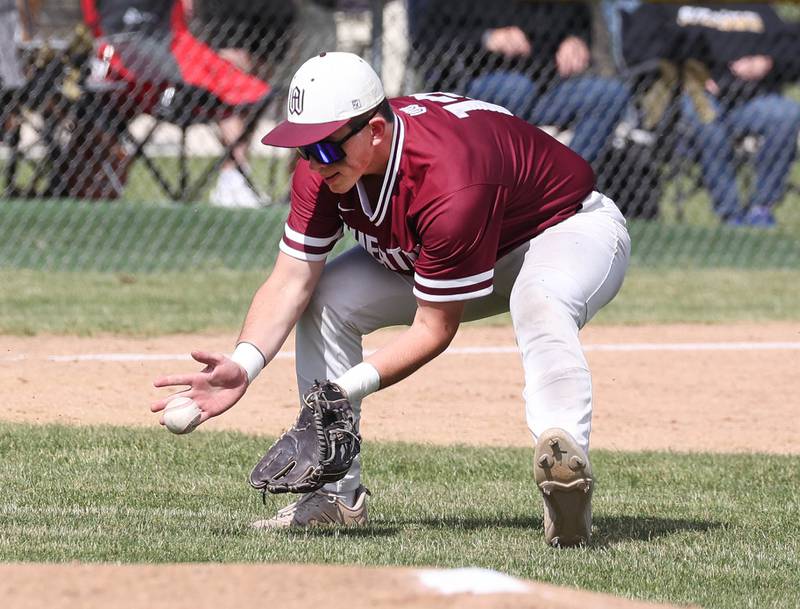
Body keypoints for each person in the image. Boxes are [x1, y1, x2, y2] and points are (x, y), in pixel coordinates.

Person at [151, 52, 631, 548]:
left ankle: (563, 470)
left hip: (563, 230)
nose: (312, 161)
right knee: (326, 295)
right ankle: (334, 498)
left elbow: (434, 329)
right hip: (440, 248)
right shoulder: (326, 169)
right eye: (301, 148)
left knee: (540, 300)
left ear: (375, 132)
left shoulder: (449, 180)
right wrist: (245, 365)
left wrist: (339, 391)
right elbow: (291, 280)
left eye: (322, 147)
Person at [621, 2, 800, 227]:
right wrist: (696, 68)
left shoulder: (756, 8)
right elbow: (638, 51)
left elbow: (791, 47)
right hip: (692, 96)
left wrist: (768, 62)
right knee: (704, 115)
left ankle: (761, 208)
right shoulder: (666, 7)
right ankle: (731, 213)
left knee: (787, 114)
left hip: (750, 99)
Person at [408, 0, 631, 166]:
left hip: (547, 89)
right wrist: (487, 38)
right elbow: (428, 38)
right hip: (474, 86)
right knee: (516, 88)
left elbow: (578, 20)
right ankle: (511, 186)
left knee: (609, 94)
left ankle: (564, 180)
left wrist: (575, 39)